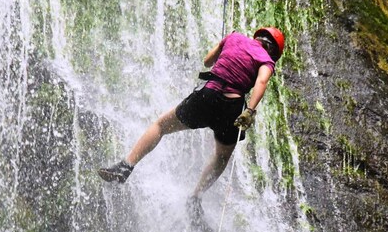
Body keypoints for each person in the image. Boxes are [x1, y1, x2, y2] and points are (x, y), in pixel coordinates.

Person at [98, 27, 285, 198]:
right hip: (232, 107)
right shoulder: (266, 61)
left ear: (257, 37)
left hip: (207, 96)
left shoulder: (234, 37)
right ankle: (195, 197)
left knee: (161, 126)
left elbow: (207, 61)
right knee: (222, 156)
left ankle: (125, 166)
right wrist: (250, 111)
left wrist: (224, 44)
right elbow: (261, 82)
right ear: (273, 52)